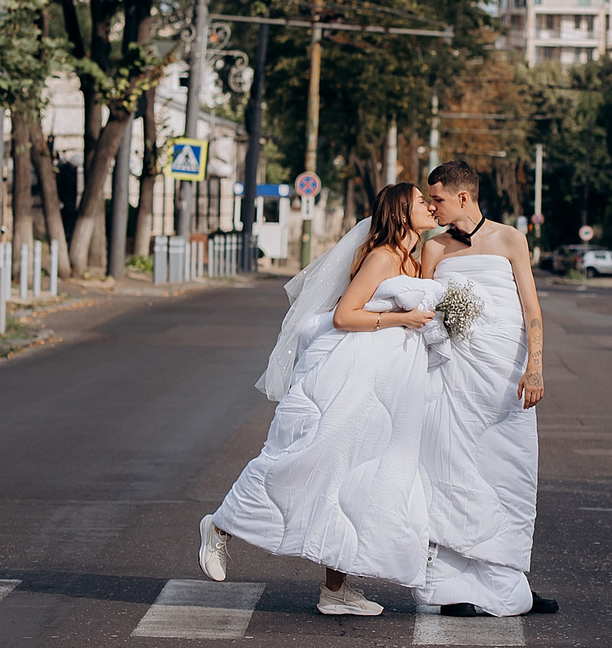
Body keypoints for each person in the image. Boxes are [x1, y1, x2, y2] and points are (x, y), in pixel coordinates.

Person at [199, 183, 442, 615]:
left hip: (388, 381)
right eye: (422, 200)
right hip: (352, 372)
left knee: (351, 482)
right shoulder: (383, 256)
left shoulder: (415, 258)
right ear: (402, 212)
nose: (430, 205)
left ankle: (335, 590)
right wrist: (403, 318)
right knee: (307, 459)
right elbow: (345, 314)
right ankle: (220, 527)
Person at [417, 160, 556, 617]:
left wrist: (534, 368)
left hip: (506, 380)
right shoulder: (433, 248)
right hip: (452, 379)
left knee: (510, 474)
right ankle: (453, 586)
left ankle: (509, 578)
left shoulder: (512, 239)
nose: (430, 207)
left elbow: (531, 309)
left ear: (463, 197)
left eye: (436, 199)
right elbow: (421, 311)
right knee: (452, 472)